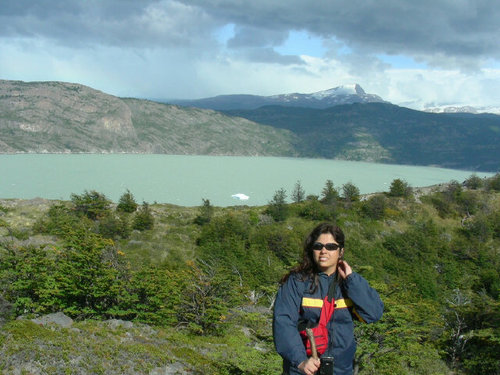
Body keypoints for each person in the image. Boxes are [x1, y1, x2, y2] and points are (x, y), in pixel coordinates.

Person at [273, 223, 383, 375]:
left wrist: (351, 280)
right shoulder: (297, 282)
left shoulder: (349, 284)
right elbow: (283, 322)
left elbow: (373, 313)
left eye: (331, 246)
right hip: (303, 369)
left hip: (340, 370)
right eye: (318, 246)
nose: (324, 250)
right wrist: (300, 361)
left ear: (341, 251)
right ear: (312, 250)